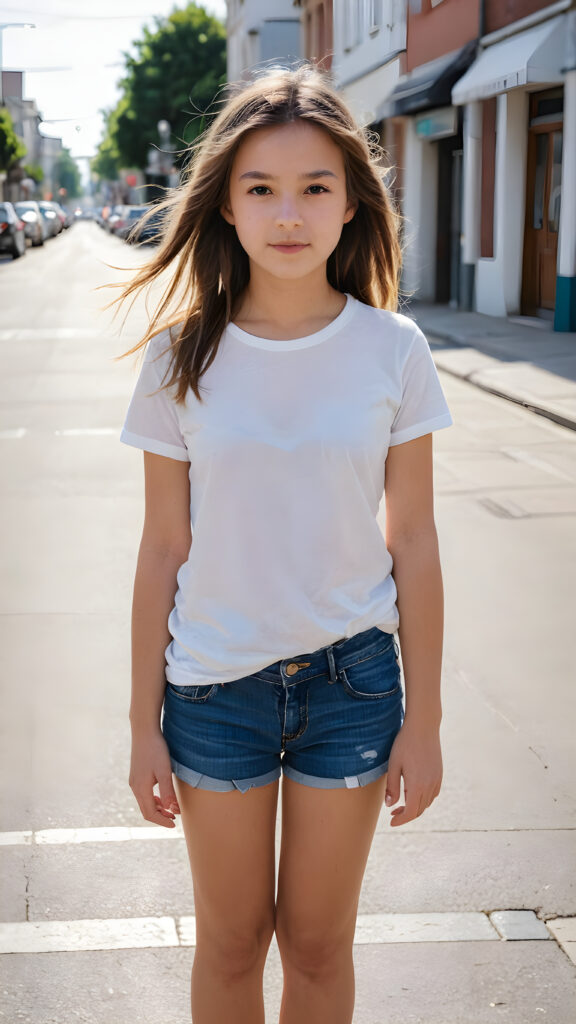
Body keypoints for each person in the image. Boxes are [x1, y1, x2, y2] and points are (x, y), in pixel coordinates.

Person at [115, 62, 453, 1024]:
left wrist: (424, 722)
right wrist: (140, 723)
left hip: (354, 686)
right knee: (229, 945)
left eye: (315, 187)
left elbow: (415, 541)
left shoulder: (394, 349)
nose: (288, 213)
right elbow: (160, 549)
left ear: (354, 204)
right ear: (226, 204)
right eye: (261, 188)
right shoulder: (181, 357)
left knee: (316, 946)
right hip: (214, 687)